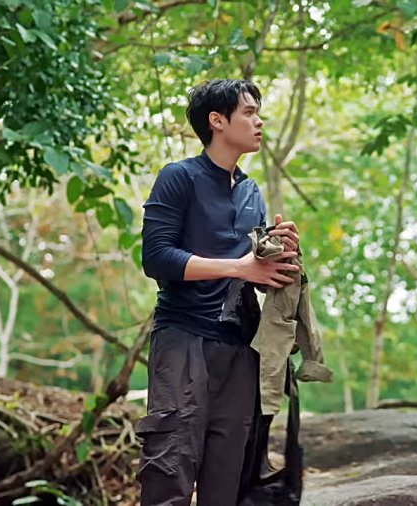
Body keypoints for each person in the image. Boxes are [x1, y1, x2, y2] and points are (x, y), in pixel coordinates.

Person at [138, 78, 301, 506]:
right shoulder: (179, 177)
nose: (259, 121)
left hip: (241, 350)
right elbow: (156, 258)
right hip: (183, 339)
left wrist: (280, 257)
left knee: (228, 483)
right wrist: (240, 266)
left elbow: (256, 276)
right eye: (249, 112)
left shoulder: (251, 192)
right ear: (217, 120)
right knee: (169, 470)